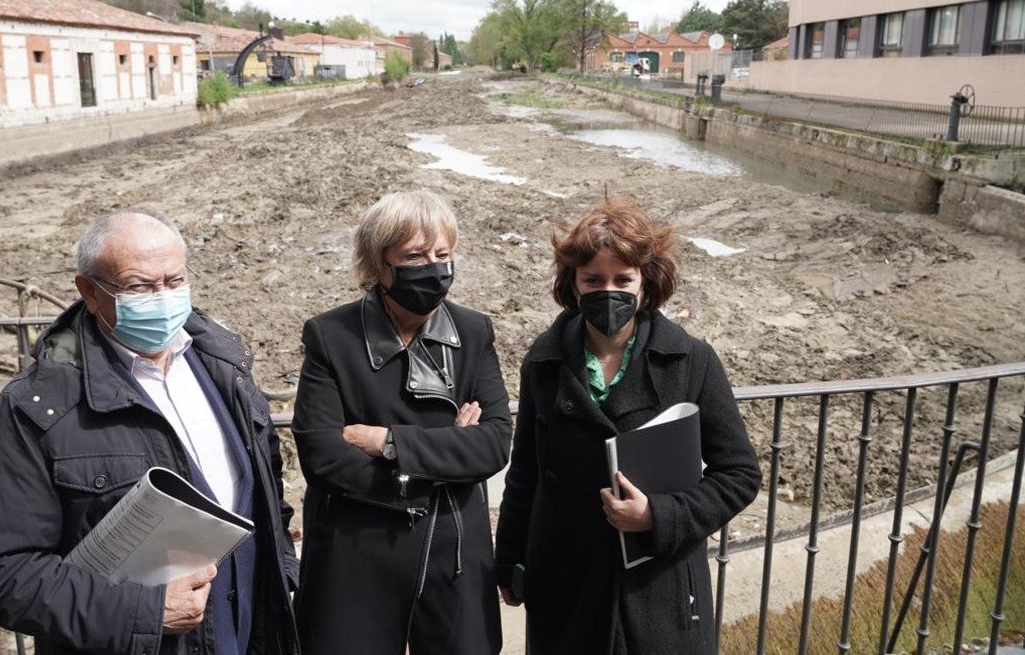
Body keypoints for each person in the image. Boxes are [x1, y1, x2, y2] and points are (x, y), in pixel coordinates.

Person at [0, 208, 299, 655]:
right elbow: (2, 574)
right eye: (139, 286)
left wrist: (284, 571)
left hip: (247, 631)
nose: (163, 299)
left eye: (175, 281)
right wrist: (143, 612)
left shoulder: (224, 366)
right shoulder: (36, 409)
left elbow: (265, 489)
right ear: (89, 291)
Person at [494, 196, 761, 654]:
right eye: (593, 279)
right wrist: (510, 562)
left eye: (623, 279)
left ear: (645, 283)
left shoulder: (692, 360)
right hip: (565, 583)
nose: (608, 290)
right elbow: (526, 474)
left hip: (660, 587)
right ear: (573, 285)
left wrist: (659, 516)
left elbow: (739, 475)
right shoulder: (544, 359)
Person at [292, 190, 511, 654]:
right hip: (356, 558)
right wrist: (447, 454)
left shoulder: (473, 332)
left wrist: (388, 441)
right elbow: (322, 457)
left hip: (453, 557)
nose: (433, 267)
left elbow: (493, 445)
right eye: (415, 255)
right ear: (380, 264)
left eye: (442, 254)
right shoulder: (331, 337)